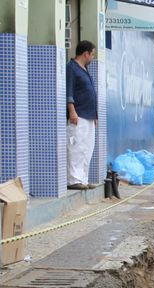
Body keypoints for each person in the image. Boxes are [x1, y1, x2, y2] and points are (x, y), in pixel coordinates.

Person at [66, 40, 98, 190]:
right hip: (79, 115)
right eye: (92, 54)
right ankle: (74, 180)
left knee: (87, 148)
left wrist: (95, 115)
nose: (92, 57)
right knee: (76, 147)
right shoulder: (72, 68)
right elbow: (69, 91)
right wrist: (72, 110)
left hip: (89, 115)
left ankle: (83, 178)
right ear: (85, 54)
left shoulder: (84, 69)